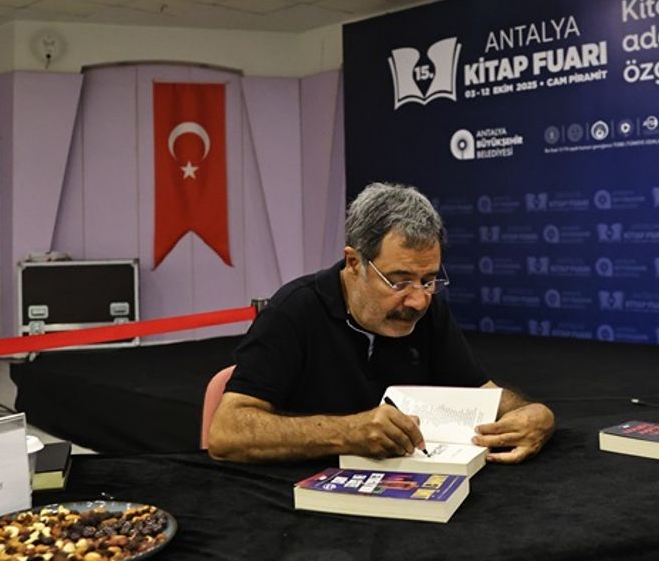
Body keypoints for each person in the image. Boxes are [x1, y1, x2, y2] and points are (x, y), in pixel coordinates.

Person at [208, 182, 555, 464]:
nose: (418, 300)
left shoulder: (428, 309)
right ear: (354, 262)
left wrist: (536, 414)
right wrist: (348, 433)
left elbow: (480, 393)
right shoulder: (294, 311)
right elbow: (226, 434)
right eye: (399, 281)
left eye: (429, 279)